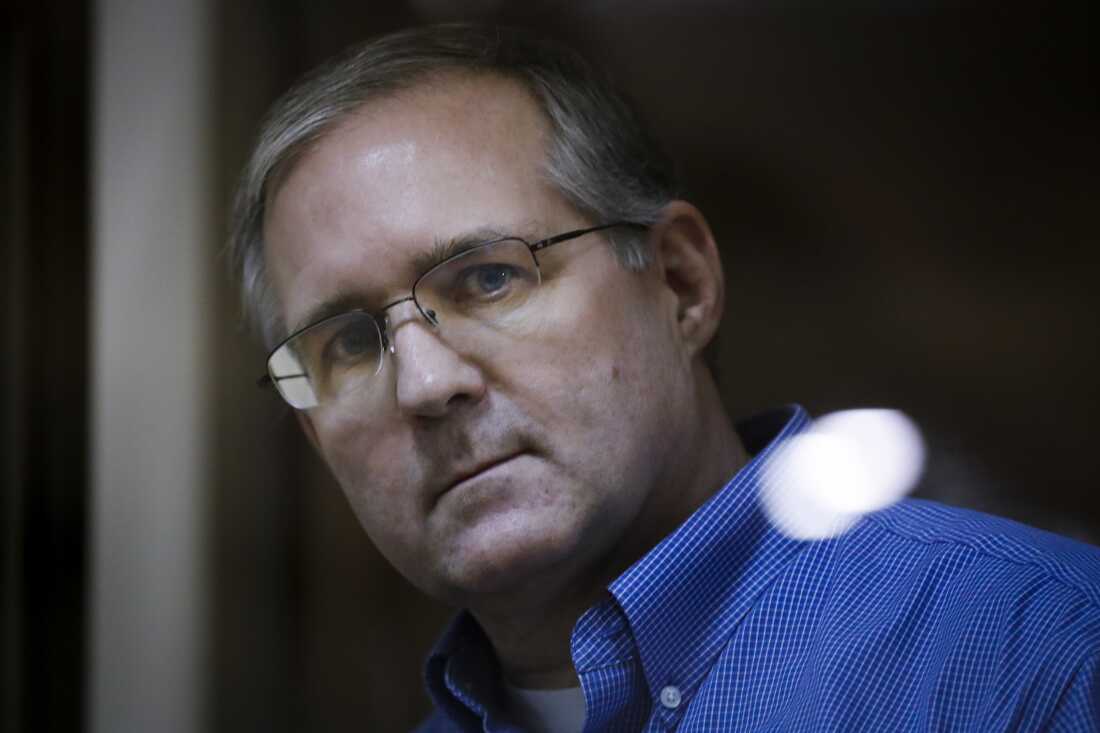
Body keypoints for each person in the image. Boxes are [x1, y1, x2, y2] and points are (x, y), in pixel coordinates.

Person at [229, 23, 1100, 732]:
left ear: (682, 284)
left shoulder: (1040, 655)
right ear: (313, 433)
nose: (423, 384)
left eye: (490, 278)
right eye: (347, 343)